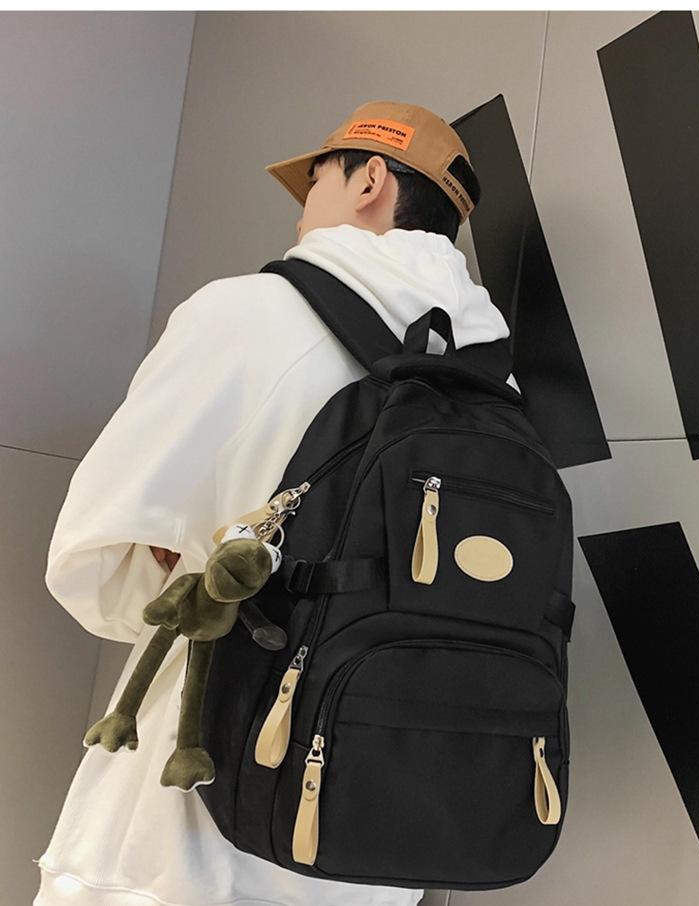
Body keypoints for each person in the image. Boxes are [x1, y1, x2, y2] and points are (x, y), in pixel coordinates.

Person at [34, 100, 519, 906]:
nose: (301, 209)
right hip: (378, 830)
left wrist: (182, 562)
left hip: (195, 814)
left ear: (370, 179)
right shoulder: (492, 374)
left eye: (316, 179)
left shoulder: (246, 311)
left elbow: (96, 563)